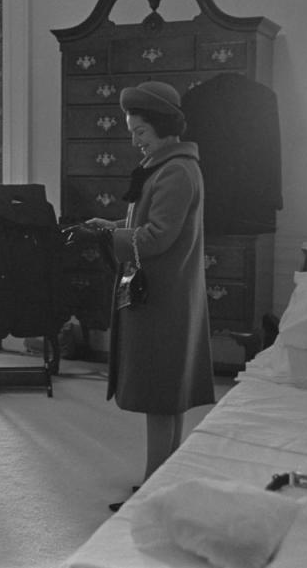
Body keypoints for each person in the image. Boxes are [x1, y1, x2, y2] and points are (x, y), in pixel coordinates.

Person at [80, 81, 214, 511]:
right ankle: (163, 479)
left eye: (140, 132)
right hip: (166, 293)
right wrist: (113, 223)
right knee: (166, 396)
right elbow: (147, 219)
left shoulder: (175, 171)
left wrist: (112, 238)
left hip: (163, 298)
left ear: (163, 128)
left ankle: (155, 489)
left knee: (160, 396)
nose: (134, 140)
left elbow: (157, 237)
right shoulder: (167, 166)